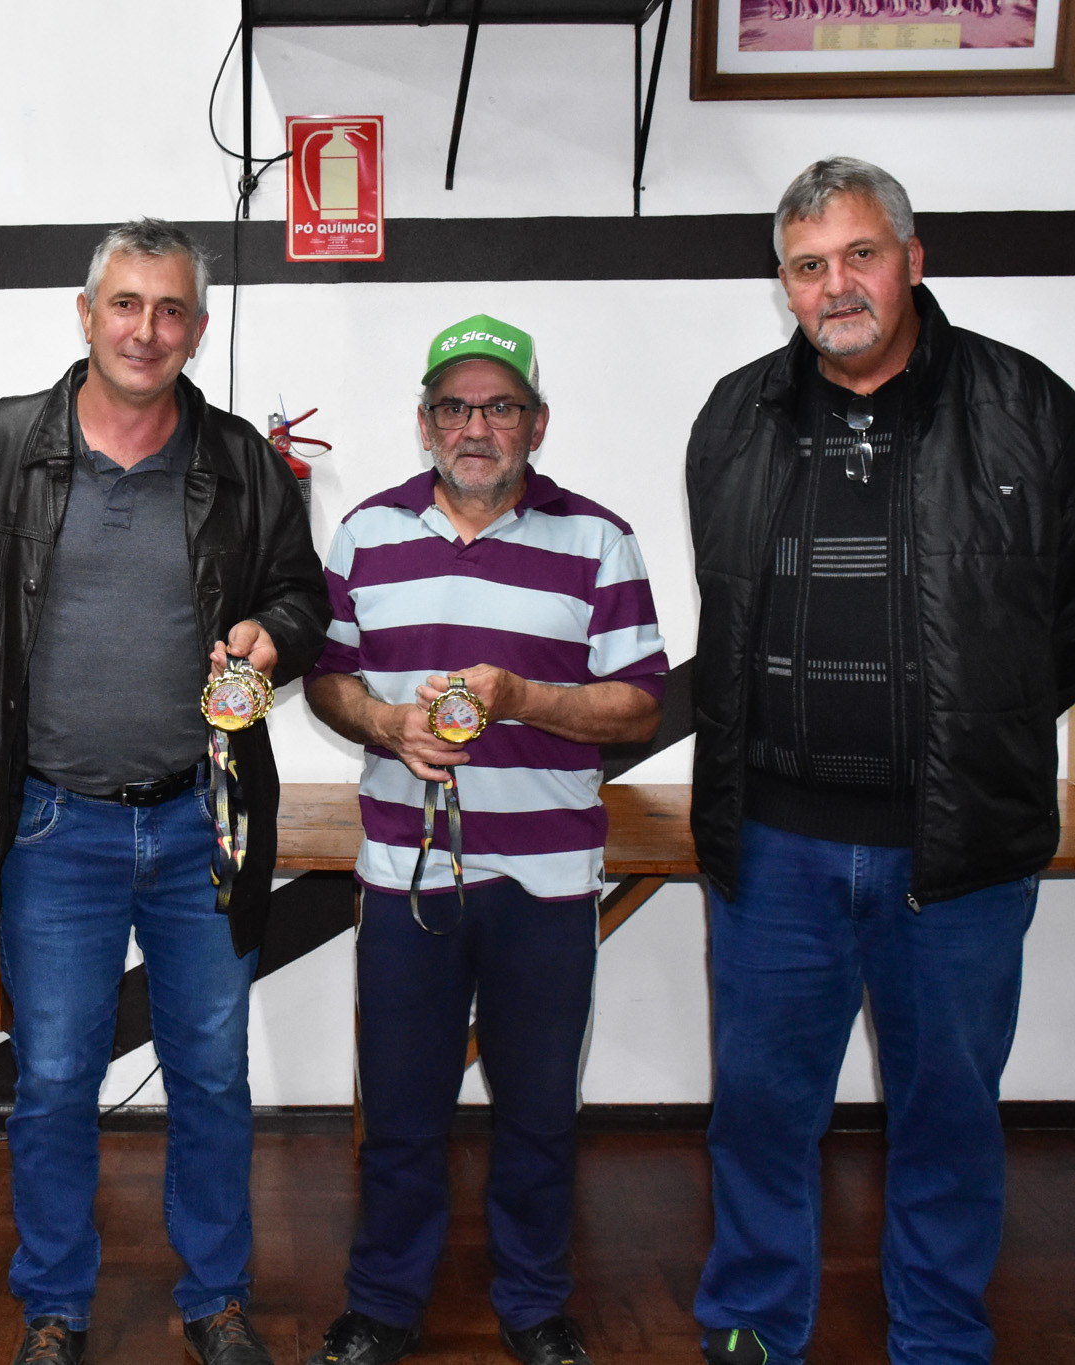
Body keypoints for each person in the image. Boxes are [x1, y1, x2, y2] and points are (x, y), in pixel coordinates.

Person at [685, 158, 1075, 1365]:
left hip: (957, 850)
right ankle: (751, 1330)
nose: (835, 286)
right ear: (782, 286)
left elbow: (1074, 626)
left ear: (911, 260)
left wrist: (970, 734)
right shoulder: (732, 417)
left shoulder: (1029, 411)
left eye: (858, 255)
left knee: (946, 1120)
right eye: (806, 266)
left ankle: (936, 1340)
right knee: (759, 1113)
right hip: (772, 847)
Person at [0, 219, 329, 1365]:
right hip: (53, 825)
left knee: (210, 1077)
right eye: (124, 304)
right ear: (85, 312)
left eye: (169, 310)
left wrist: (272, 635)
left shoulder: (244, 464)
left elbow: (301, 598)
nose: (144, 330)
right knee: (53, 1081)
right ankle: (53, 1308)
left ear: (195, 329)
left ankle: (215, 1300)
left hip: (203, 821)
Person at [302, 315, 668, 1365]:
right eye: (455, 407)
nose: (476, 427)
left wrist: (520, 698)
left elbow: (638, 706)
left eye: (499, 406)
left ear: (536, 423)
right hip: (404, 873)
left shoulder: (599, 540)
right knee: (400, 1111)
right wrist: (384, 724)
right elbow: (327, 678)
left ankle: (534, 1303)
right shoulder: (365, 533)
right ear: (424, 423)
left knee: (540, 1112)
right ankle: (383, 1303)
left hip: (545, 880)